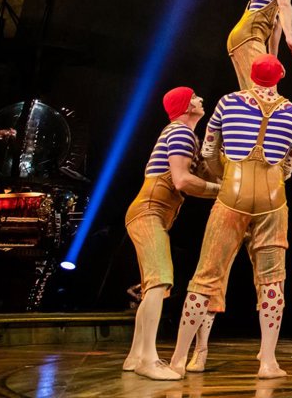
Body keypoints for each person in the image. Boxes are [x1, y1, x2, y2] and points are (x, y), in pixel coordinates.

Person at [169, 54, 292, 379]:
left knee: (206, 276)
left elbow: (208, 151)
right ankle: (268, 361)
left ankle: (177, 359)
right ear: (280, 76)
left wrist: (226, 175)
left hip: (232, 195)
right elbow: (289, 165)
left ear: (252, 75)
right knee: (272, 279)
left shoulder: (229, 102)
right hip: (273, 200)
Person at [122, 87, 220, 380]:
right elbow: (181, 181)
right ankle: (148, 360)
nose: (201, 99)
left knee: (154, 286)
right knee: (161, 279)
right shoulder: (180, 132)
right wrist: (222, 190)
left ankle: (135, 356)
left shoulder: (186, 136)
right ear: (186, 105)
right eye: (195, 97)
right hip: (149, 212)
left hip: (151, 214)